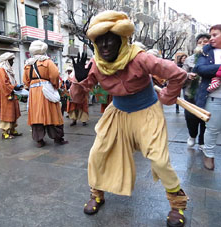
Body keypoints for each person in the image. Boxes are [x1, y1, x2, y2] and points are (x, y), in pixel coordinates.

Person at [69, 11, 188, 227]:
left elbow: (178, 74)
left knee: (159, 160)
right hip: (118, 112)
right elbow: (77, 98)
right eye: (100, 39)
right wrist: (78, 80)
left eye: (110, 38)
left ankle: (177, 203)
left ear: (122, 39)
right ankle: (96, 193)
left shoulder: (140, 57)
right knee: (97, 153)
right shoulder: (95, 65)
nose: (104, 44)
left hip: (147, 111)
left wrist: (167, 98)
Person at [23, 40, 68, 148]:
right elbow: (55, 75)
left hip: (34, 93)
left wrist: (32, 87)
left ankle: (39, 140)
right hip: (47, 91)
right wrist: (55, 86)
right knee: (53, 113)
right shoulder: (48, 62)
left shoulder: (28, 64)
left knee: (36, 115)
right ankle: (58, 138)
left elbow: (25, 81)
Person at [193, 24, 221, 170]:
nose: (211, 39)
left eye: (215, 35)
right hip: (213, 97)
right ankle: (208, 155)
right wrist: (219, 69)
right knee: (212, 128)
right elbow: (200, 69)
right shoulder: (206, 51)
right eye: (210, 35)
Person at [182, 33, 210, 151]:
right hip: (191, 93)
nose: (203, 44)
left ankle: (202, 141)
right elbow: (181, 75)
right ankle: (192, 135)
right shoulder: (189, 59)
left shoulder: (213, 58)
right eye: (200, 42)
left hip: (207, 93)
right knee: (190, 117)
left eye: (206, 41)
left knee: (205, 118)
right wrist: (188, 76)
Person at [0, 52, 22, 139]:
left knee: (13, 112)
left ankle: (12, 130)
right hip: (5, 94)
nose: (13, 62)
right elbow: (4, 84)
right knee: (6, 113)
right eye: (11, 60)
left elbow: (12, 82)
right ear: (6, 61)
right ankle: (5, 132)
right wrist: (14, 87)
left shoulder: (9, 70)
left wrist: (17, 86)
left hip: (11, 93)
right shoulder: (0, 70)